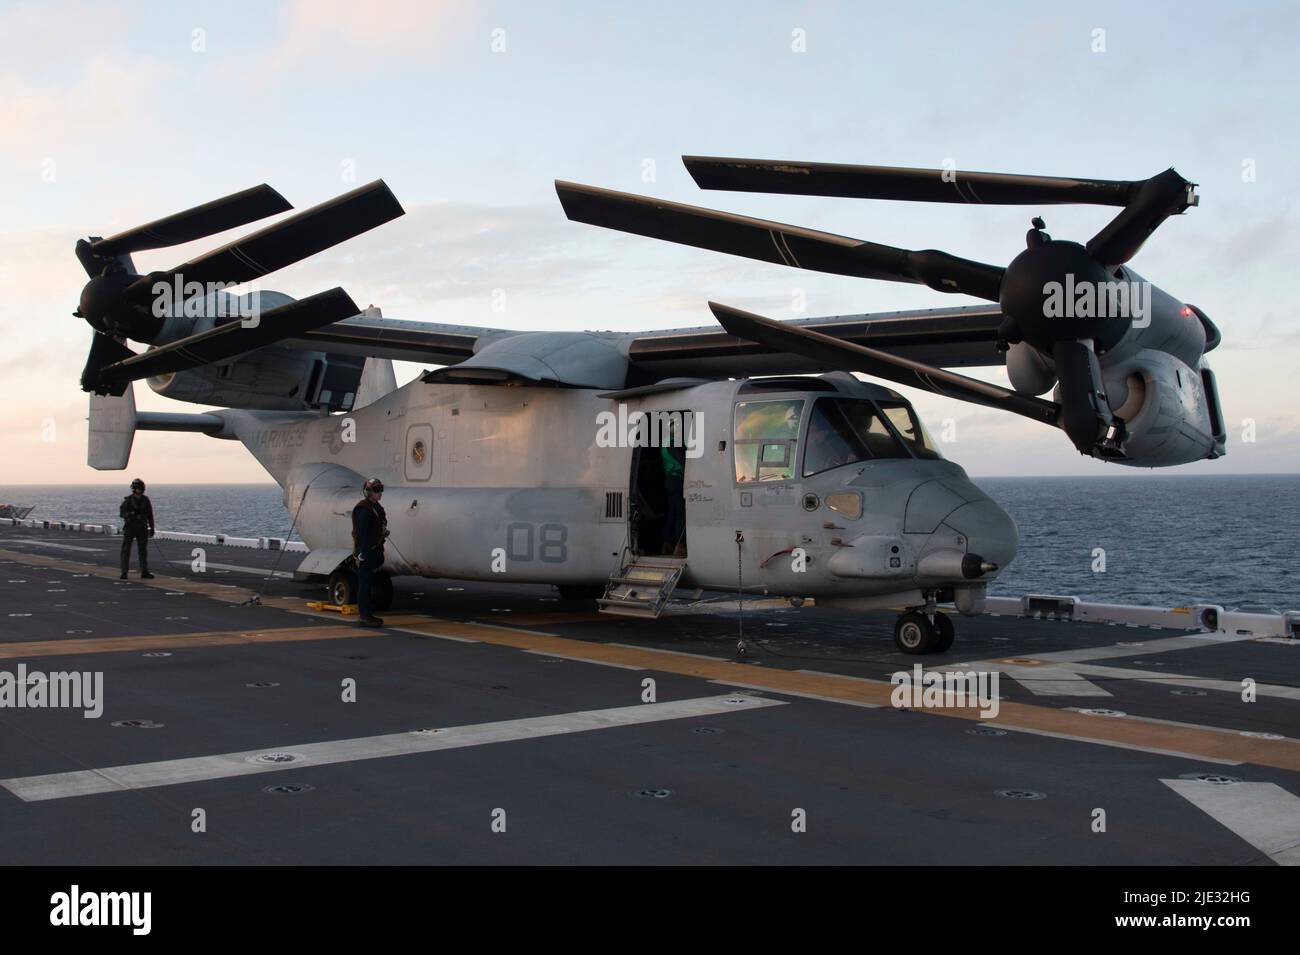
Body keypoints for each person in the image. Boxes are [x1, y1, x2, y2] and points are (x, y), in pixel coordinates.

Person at [351, 477, 389, 626]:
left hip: (373, 550)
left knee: (368, 582)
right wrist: (364, 555)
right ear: (368, 492)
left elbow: (378, 525)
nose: (379, 493)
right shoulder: (364, 509)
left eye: (381, 490)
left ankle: (367, 614)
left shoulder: (375, 508)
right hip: (366, 551)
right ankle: (364, 616)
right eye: (376, 490)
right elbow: (362, 534)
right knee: (365, 584)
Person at [119, 478, 155, 579]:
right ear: (134, 489)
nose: (141, 490)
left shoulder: (145, 500)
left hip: (142, 528)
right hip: (130, 527)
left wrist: (152, 527)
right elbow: (122, 514)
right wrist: (131, 514)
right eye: (139, 488)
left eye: (141, 488)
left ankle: (144, 571)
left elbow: (150, 515)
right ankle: (124, 572)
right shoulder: (128, 500)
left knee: (143, 551)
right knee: (126, 550)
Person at [660, 421, 686, 557]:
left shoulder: (666, 442)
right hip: (676, 479)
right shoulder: (673, 442)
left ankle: (667, 544)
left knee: (672, 512)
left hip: (669, 480)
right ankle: (679, 545)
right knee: (680, 513)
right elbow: (683, 460)